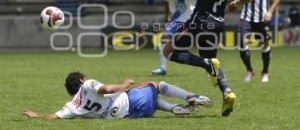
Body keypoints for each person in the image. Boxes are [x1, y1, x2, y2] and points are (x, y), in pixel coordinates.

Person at [151, 0, 252, 116]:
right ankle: (228, 91)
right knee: (213, 65)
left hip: (200, 20)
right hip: (218, 24)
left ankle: (206, 63)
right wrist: (236, 2)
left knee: (169, 51)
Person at [22, 71, 213, 119]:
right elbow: (105, 89)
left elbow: (54, 117)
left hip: (132, 115)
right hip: (132, 101)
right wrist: (123, 85)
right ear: (81, 80)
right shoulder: (87, 84)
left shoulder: (73, 106)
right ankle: (191, 96)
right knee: (154, 84)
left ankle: (173, 109)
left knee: (153, 102)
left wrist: (36, 115)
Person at [238, 0, 281, 83]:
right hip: (246, 16)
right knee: (242, 42)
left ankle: (265, 72)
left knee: (265, 44)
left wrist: (270, 11)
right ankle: (249, 70)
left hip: (263, 18)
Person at [152, 0, 196, 75]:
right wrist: (167, 16)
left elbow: (196, 5)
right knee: (164, 38)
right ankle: (163, 68)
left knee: (200, 42)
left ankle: (208, 65)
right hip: (176, 19)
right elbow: (167, 2)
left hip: (190, 18)